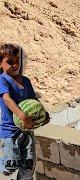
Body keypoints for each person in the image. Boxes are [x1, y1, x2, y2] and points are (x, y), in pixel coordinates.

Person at [0, 44, 45, 179]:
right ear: (0, 63)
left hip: (26, 132)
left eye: (17, 61)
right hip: (10, 132)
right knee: (10, 166)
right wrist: (22, 116)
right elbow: (7, 99)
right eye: (10, 62)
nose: (15, 65)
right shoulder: (2, 80)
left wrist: (44, 114)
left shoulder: (26, 81)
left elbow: (33, 99)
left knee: (28, 166)